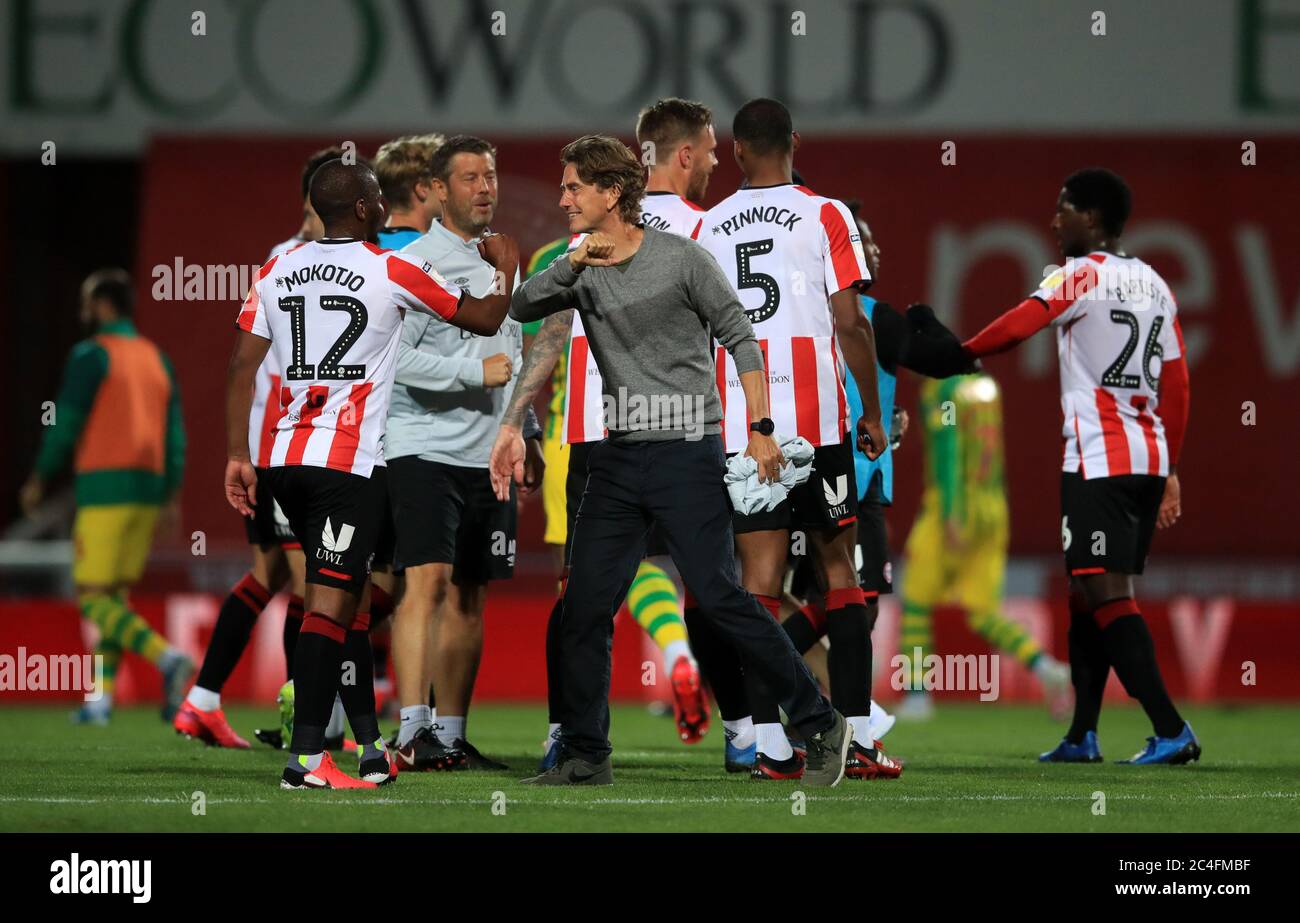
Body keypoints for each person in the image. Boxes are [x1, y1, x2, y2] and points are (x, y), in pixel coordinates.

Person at [493, 135, 854, 787]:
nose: (563, 197)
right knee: (584, 604)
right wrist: (575, 265)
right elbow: (520, 308)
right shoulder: (581, 266)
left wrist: (762, 427)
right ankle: (585, 753)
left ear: (611, 193)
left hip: (688, 450)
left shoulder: (684, 258)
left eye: (575, 186)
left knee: (719, 598)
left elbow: (741, 337)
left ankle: (822, 723)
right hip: (618, 455)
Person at [223, 158, 520, 789]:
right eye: (377, 198)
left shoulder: (277, 266)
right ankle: (306, 759)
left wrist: (237, 457)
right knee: (329, 610)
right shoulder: (391, 268)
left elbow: (240, 368)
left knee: (350, 603)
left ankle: (368, 745)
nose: (385, 206)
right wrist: (508, 267)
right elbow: (487, 320)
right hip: (347, 464)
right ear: (361, 209)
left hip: (283, 459)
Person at [962, 168, 1198, 765]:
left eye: (1062, 209)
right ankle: (1080, 736)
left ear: (1090, 219)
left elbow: (1022, 323)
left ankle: (1171, 729)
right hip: (1146, 457)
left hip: (1101, 459)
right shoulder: (1156, 285)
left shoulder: (1082, 275)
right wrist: (1169, 466)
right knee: (1083, 593)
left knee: (1107, 590)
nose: (1053, 220)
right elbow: (1179, 386)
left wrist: (960, 354)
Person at [696, 98, 887, 781]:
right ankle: (858, 732)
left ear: (738, 150)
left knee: (758, 585)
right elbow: (849, 318)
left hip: (749, 425)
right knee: (842, 574)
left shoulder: (707, 225)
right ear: (795, 143)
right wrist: (869, 409)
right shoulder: (827, 213)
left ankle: (771, 744)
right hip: (822, 417)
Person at [175, 148, 343, 749]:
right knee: (312, 584)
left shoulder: (295, 257)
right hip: (288, 445)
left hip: (281, 442)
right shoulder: (297, 261)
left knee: (270, 575)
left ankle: (201, 700)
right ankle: (309, 723)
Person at [386, 135, 542, 771]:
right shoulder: (417, 263)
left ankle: (450, 734)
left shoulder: (504, 264)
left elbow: (520, 356)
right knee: (426, 583)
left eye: (492, 175)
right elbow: (394, 361)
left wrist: (525, 431)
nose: (486, 187)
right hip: (422, 446)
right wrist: (475, 375)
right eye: (471, 177)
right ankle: (410, 731)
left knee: (472, 592)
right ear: (438, 189)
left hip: (486, 453)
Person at [21, 269, 191, 725]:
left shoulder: (90, 357)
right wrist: (172, 493)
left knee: (93, 599)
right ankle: (101, 699)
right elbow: (175, 434)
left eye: (86, 301)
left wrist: (40, 475)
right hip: (148, 491)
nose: (82, 310)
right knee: (115, 596)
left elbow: (65, 423)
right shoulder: (156, 358)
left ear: (101, 306)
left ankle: (167, 657)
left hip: (104, 490)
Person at [896, 372, 1072, 720]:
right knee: (983, 611)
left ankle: (917, 696)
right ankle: (1047, 669)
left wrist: (951, 512)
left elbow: (948, 450)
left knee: (915, 600)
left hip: (954, 507)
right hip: (992, 507)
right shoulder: (987, 388)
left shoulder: (943, 391)